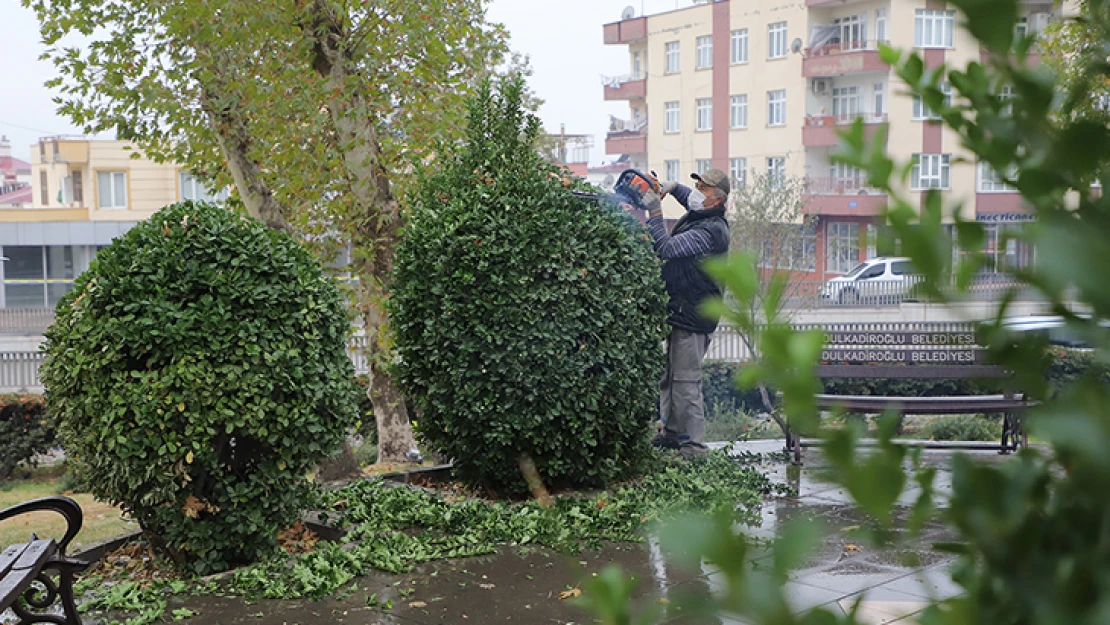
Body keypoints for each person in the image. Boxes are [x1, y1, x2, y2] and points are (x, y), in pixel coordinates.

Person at [640, 168, 731, 460]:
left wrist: (655, 212)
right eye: (697, 185)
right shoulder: (701, 214)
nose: (696, 192)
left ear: (717, 199)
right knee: (670, 376)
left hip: (694, 315)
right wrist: (672, 186)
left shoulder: (710, 232)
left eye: (703, 189)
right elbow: (687, 199)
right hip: (682, 309)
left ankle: (693, 448)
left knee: (686, 382)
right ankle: (671, 434)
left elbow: (665, 248)